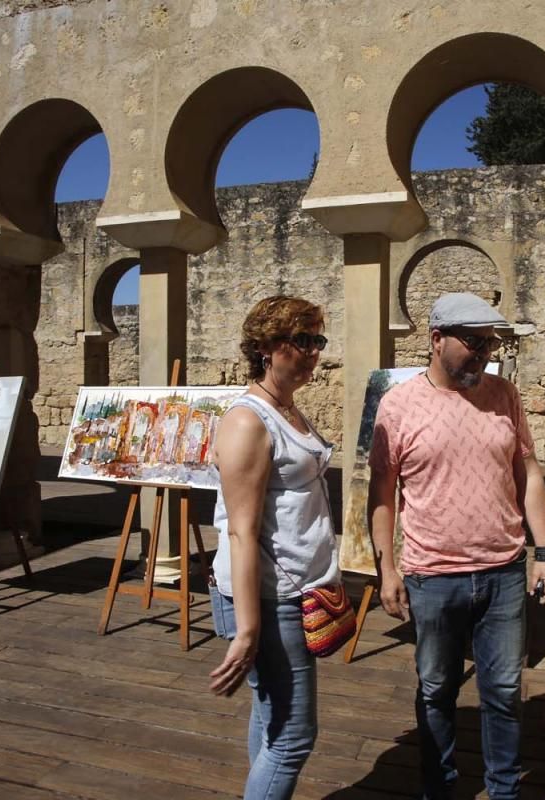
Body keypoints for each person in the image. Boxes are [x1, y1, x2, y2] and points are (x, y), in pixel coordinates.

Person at [368, 292, 545, 800]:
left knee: (502, 692)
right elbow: (381, 496)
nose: (484, 353)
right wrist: (386, 570)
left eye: (490, 344)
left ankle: (503, 790)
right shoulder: (399, 405)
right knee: (436, 690)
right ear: (436, 340)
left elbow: (529, 474)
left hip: (503, 573)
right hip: (431, 578)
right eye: (474, 342)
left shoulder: (505, 395)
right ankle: (441, 787)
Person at [208, 295, 338, 800]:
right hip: (268, 595)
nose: (311, 352)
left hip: (293, 586)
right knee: (295, 735)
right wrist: (247, 630)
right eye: (300, 340)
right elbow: (240, 531)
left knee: (272, 718)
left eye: (317, 341)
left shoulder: (285, 407)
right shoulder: (248, 421)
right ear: (264, 347)